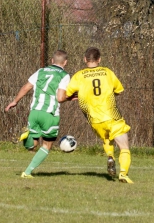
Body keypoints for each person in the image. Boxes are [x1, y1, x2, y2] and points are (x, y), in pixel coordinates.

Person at [57, 47, 133, 183]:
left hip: (94, 120)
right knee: (124, 147)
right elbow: (119, 90)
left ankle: (110, 155)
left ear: (85, 59)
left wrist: (75, 96)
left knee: (106, 139)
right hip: (112, 116)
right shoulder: (107, 72)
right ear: (99, 60)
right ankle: (123, 174)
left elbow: (65, 95)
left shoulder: (79, 75)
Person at [5, 50, 70, 178]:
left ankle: (26, 135)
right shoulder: (64, 75)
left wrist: (14, 101)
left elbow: (26, 87)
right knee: (46, 145)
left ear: (52, 61)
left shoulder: (41, 71)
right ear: (65, 62)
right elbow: (60, 97)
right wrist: (71, 97)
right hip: (49, 114)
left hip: (34, 112)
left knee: (33, 146)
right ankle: (27, 172)